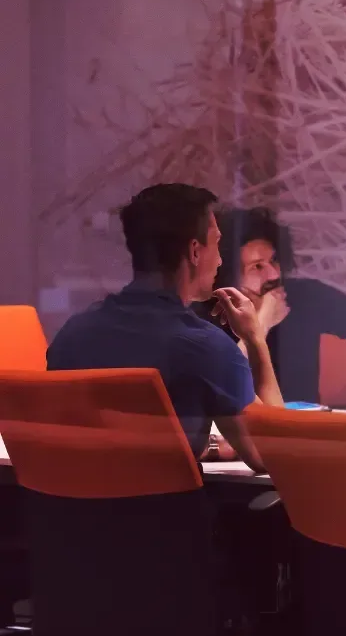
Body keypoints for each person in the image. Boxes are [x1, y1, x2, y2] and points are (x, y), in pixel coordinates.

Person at [47, 184, 283, 471]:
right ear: (195, 252)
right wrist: (255, 338)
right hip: (166, 515)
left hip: (73, 514)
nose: (220, 260)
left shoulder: (72, 335)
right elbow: (277, 452)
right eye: (217, 243)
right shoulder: (204, 346)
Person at [212, 206, 346, 404]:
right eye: (257, 266)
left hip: (300, 426)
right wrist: (262, 323)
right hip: (236, 427)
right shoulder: (212, 311)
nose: (274, 274)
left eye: (274, 260)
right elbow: (222, 384)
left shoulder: (303, 296)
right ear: (228, 275)